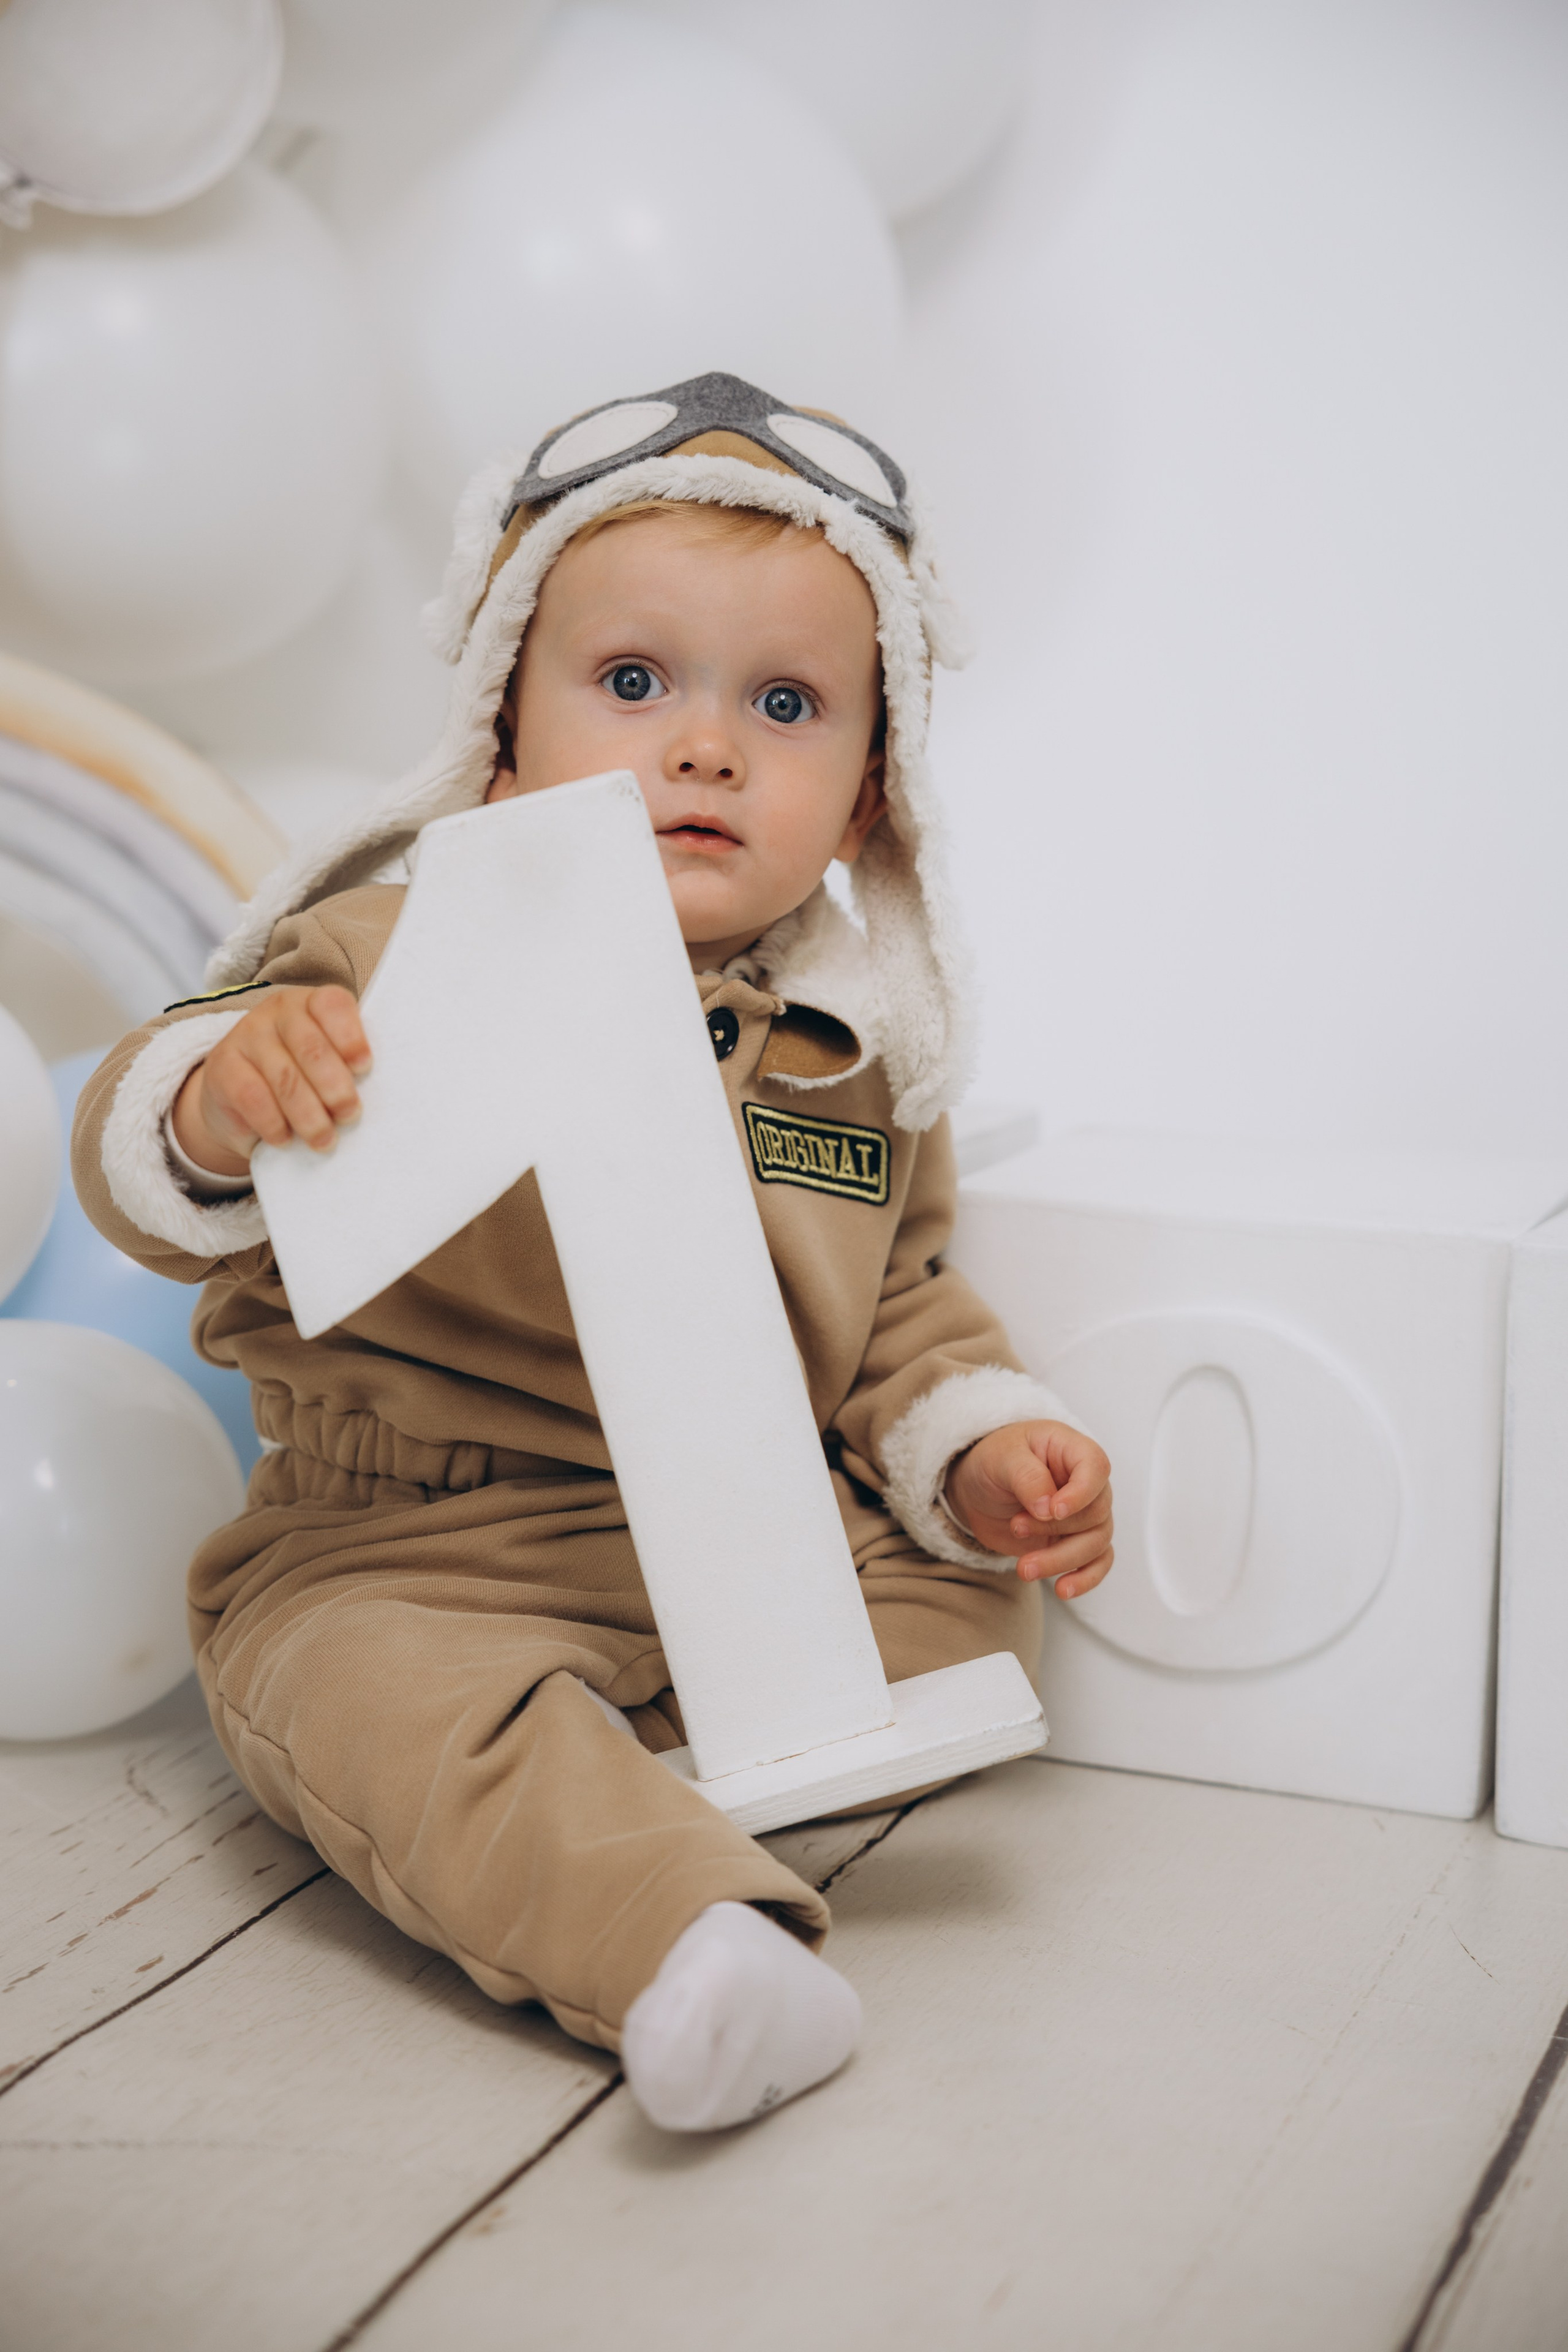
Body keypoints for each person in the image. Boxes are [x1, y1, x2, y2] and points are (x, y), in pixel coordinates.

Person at [74, 374, 1114, 2133]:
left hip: (744, 1538)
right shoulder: (385, 947)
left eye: (784, 705)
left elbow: (899, 1311)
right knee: (351, 1691)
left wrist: (980, 1450)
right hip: (416, 1536)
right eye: (633, 684)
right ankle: (683, 1943)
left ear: (866, 799)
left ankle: (615, 1774)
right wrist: (220, 1096)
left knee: (963, 1604)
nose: (704, 746)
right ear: (502, 737)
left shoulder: (849, 1051)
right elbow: (141, 1150)